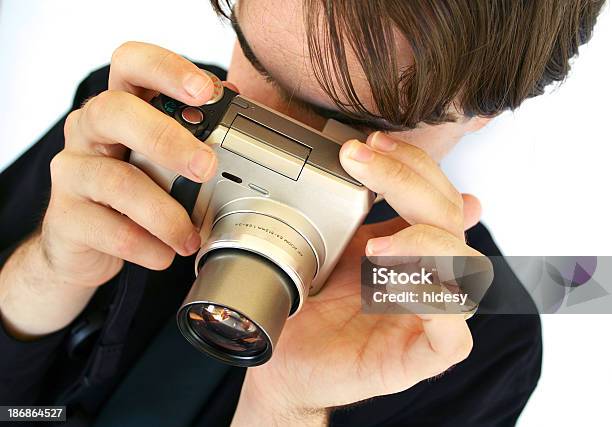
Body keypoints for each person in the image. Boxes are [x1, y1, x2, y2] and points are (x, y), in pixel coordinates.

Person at [0, 0, 604, 426]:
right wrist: (44, 279)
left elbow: (574, 287)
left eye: (358, 129)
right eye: (258, 67)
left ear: (486, 113)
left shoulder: (467, 312)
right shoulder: (144, 129)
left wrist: (284, 408)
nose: (279, 147)